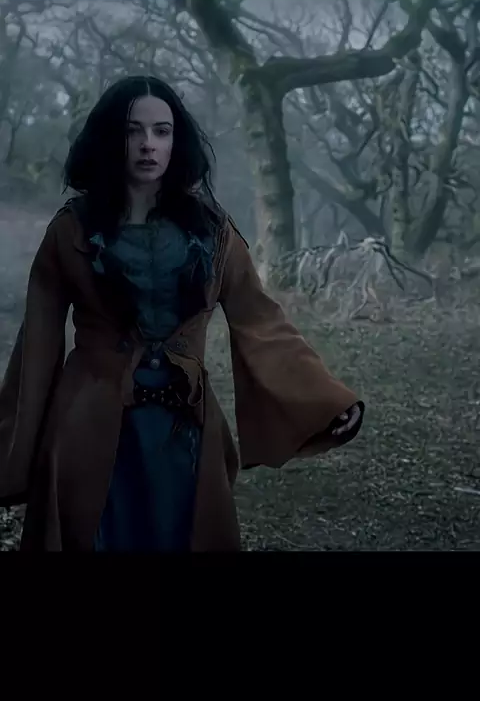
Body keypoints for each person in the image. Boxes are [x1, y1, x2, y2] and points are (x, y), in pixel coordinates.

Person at [0, 75, 364, 552]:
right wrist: (12, 452)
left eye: (161, 131)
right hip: (89, 428)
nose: (147, 144)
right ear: (111, 138)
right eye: (132, 130)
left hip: (184, 429)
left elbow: (261, 322)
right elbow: (36, 350)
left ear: (177, 141)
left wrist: (325, 401)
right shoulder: (71, 231)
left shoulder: (212, 230)